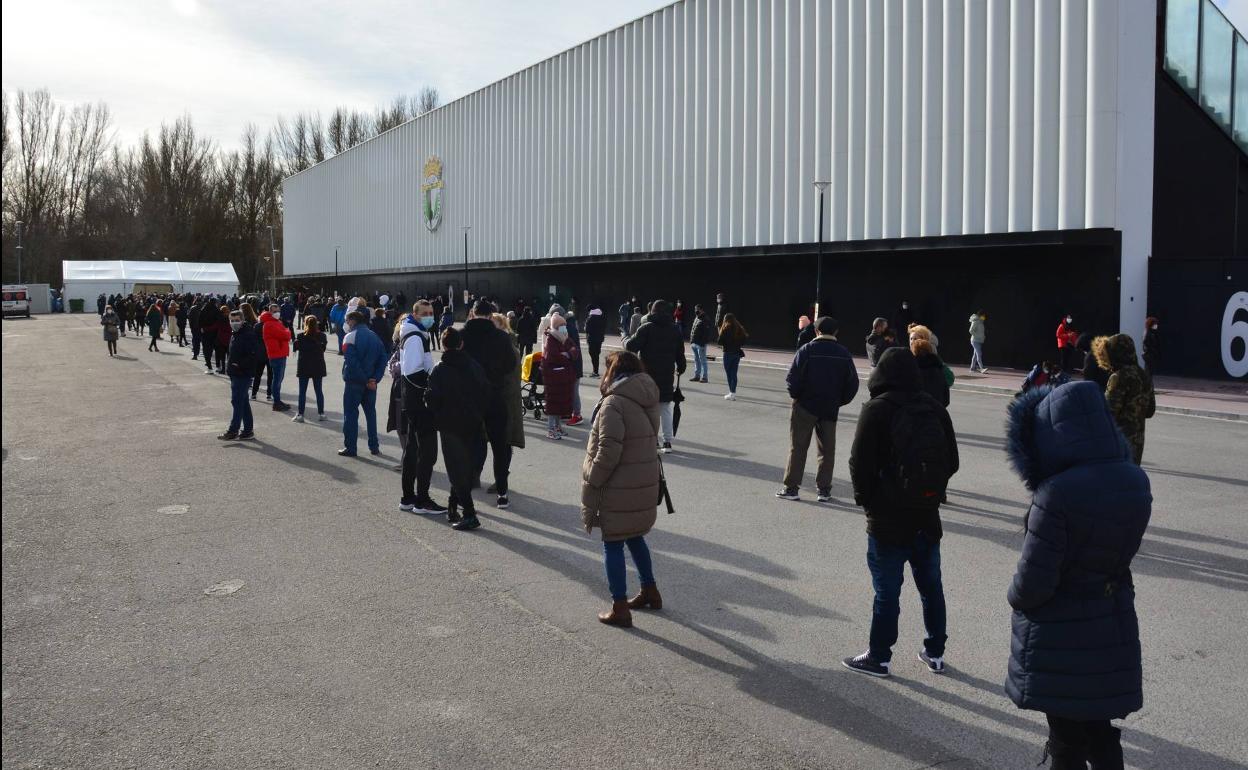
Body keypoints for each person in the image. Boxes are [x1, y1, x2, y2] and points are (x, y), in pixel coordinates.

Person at [1003, 382, 1151, 769]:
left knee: (1066, 739)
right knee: (1100, 729)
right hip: (1112, 620)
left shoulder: (1057, 493)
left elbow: (1033, 582)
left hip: (1062, 632)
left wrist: (1014, 596)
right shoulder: (1135, 480)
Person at [845, 347, 959, 678]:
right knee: (931, 587)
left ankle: (879, 657)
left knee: (887, 593)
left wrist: (868, 502)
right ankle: (935, 653)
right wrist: (929, 493)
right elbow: (951, 461)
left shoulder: (877, 409)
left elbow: (859, 463)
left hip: (887, 520)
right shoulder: (934, 408)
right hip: (926, 516)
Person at [581, 350, 663, 628]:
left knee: (613, 541)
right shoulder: (646, 394)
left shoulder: (614, 403)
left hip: (619, 484)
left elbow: (608, 451)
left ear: (613, 372)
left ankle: (619, 606)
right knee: (635, 536)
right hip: (642, 479)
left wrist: (592, 478)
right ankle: (650, 590)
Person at [777, 316, 859, 502]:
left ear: (816, 331)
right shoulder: (843, 353)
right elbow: (852, 384)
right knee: (827, 450)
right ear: (836, 332)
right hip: (829, 407)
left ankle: (791, 488)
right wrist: (839, 400)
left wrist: (797, 396)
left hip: (805, 406)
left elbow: (792, 379)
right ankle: (824, 490)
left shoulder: (806, 350)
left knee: (798, 447)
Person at [426, 327, 490, 531]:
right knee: (465, 466)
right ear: (461, 344)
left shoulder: (439, 369)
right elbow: (485, 392)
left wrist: (434, 407)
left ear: (443, 345)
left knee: (455, 469)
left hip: (449, 424)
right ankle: (454, 504)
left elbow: (431, 399)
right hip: (472, 422)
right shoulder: (473, 366)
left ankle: (469, 513)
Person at [461, 299, 518, 508]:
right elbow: (510, 364)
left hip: (470, 397)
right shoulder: (501, 336)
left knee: (469, 443)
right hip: (495, 394)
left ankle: (465, 487)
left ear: (473, 313)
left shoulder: (463, 334)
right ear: (491, 314)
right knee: (500, 446)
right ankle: (502, 494)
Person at [397, 302, 447, 515]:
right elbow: (412, 372)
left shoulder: (415, 333)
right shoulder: (416, 337)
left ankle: (408, 497)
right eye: (425, 314)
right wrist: (431, 383)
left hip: (411, 401)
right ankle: (422, 500)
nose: (429, 317)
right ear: (415, 315)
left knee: (412, 450)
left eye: (431, 313)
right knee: (427, 452)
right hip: (419, 402)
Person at [625, 300, 686, 453]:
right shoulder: (674, 330)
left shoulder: (646, 328)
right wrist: (681, 367)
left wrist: (625, 337)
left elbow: (631, 346)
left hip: (647, 375)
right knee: (665, 408)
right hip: (667, 374)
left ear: (652, 311)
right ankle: (667, 442)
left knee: (649, 408)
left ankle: (653, 440)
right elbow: (680, 354)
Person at [1094, 334, 1156, 465]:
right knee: (1131, 479)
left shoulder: (1118, 377)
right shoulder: (1144, 375)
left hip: (1118, 441)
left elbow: (1109, 413)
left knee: (1116, 481)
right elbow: (1150, 411)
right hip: (1137, 442)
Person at [340, 310, 388, 457]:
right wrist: (375, 378)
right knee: (371, 414)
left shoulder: (349, 337)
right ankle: (374, 446)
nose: (346, 324)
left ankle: (351, 448)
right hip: (371, 383)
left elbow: (352, 362)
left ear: (353, 320)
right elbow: (383, 358)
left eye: (347, 321)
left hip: (355, 382)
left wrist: (365, 379)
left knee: (350, 415)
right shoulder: (374, 337)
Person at [218, 310, 260, 441]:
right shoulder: (235, 334)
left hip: (243, 374)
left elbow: (253, 355)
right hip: (235, 373)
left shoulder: (248, 334)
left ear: (242, 320)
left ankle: (233, 430)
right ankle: (248, 430)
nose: (234, 323)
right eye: (232, 320)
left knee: (237, 401)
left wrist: (239, 365)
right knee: (243, 401)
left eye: (237, 320)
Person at [541, 314, 579, 440]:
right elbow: (553, 357)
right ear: (556, 327)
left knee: (560, 404)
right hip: (554, 377)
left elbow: (575, 351)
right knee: (553, 404)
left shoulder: (565, 338)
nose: (564, 327)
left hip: (563, 377)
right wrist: (567, 356)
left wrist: (567, 354)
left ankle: (557, 427)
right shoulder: (551, 339)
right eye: (561, 325)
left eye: (564, 325)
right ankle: (551, 429)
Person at [292, 315, 328, 422]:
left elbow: (296, 347)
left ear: (305, 324)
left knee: (302, 391)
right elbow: (323, 349)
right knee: (318, 390)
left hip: (304, 365)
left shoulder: (300, 336)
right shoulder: (322, 336)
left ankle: (300, 414)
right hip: (318, 365)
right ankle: (321, 413)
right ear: (316, 324)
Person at [261, 304, 292, 411]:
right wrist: (287, 332)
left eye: (278, 311)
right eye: (274, 311)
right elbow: (286, 335)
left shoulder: (276, 322)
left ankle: (277, 400)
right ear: (270, 312)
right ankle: (276, 402)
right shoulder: (270, 324)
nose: (277, 313)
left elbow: (285, 334)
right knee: (277, 380)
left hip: (280, 353)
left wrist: (286, 332)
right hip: (276, 354)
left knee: (279, 379)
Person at [911, 336, 950, 408]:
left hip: (916, 413)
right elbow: (946, 398)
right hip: (936, 413)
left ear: (914, 351)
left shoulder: (912, 371)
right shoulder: (938, 369)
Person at [717, 312, 748, 401]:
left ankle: (731, 392)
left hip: (727, 353)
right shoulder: (739, 328)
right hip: (736, 353)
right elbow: (744, 339)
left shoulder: (725, 328)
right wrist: (737, 345)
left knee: (729, 373)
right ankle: (733, 392)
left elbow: (719, 341)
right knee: (734, 373)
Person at [689, 305, 710, 383]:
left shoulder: (705, 319)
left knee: (703, 360)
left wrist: (702, 343)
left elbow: (706, 333)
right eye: (695, 309)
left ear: (702, 310)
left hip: (701, 344)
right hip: (694, 342)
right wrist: (691, 341)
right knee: (696, 360)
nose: (696, 311)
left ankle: (705, 377)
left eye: (698, 309)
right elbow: (693, 329)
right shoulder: (697, 317)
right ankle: (697, 376)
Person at [585, 304, 607, 377]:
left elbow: (587, 329)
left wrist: (585, 327)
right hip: (599, 339)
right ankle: (595, 371)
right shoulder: (602, 317)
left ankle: (595, 372)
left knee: (592, 354)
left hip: (592, 339)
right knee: (597, 354)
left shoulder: (590, 318)